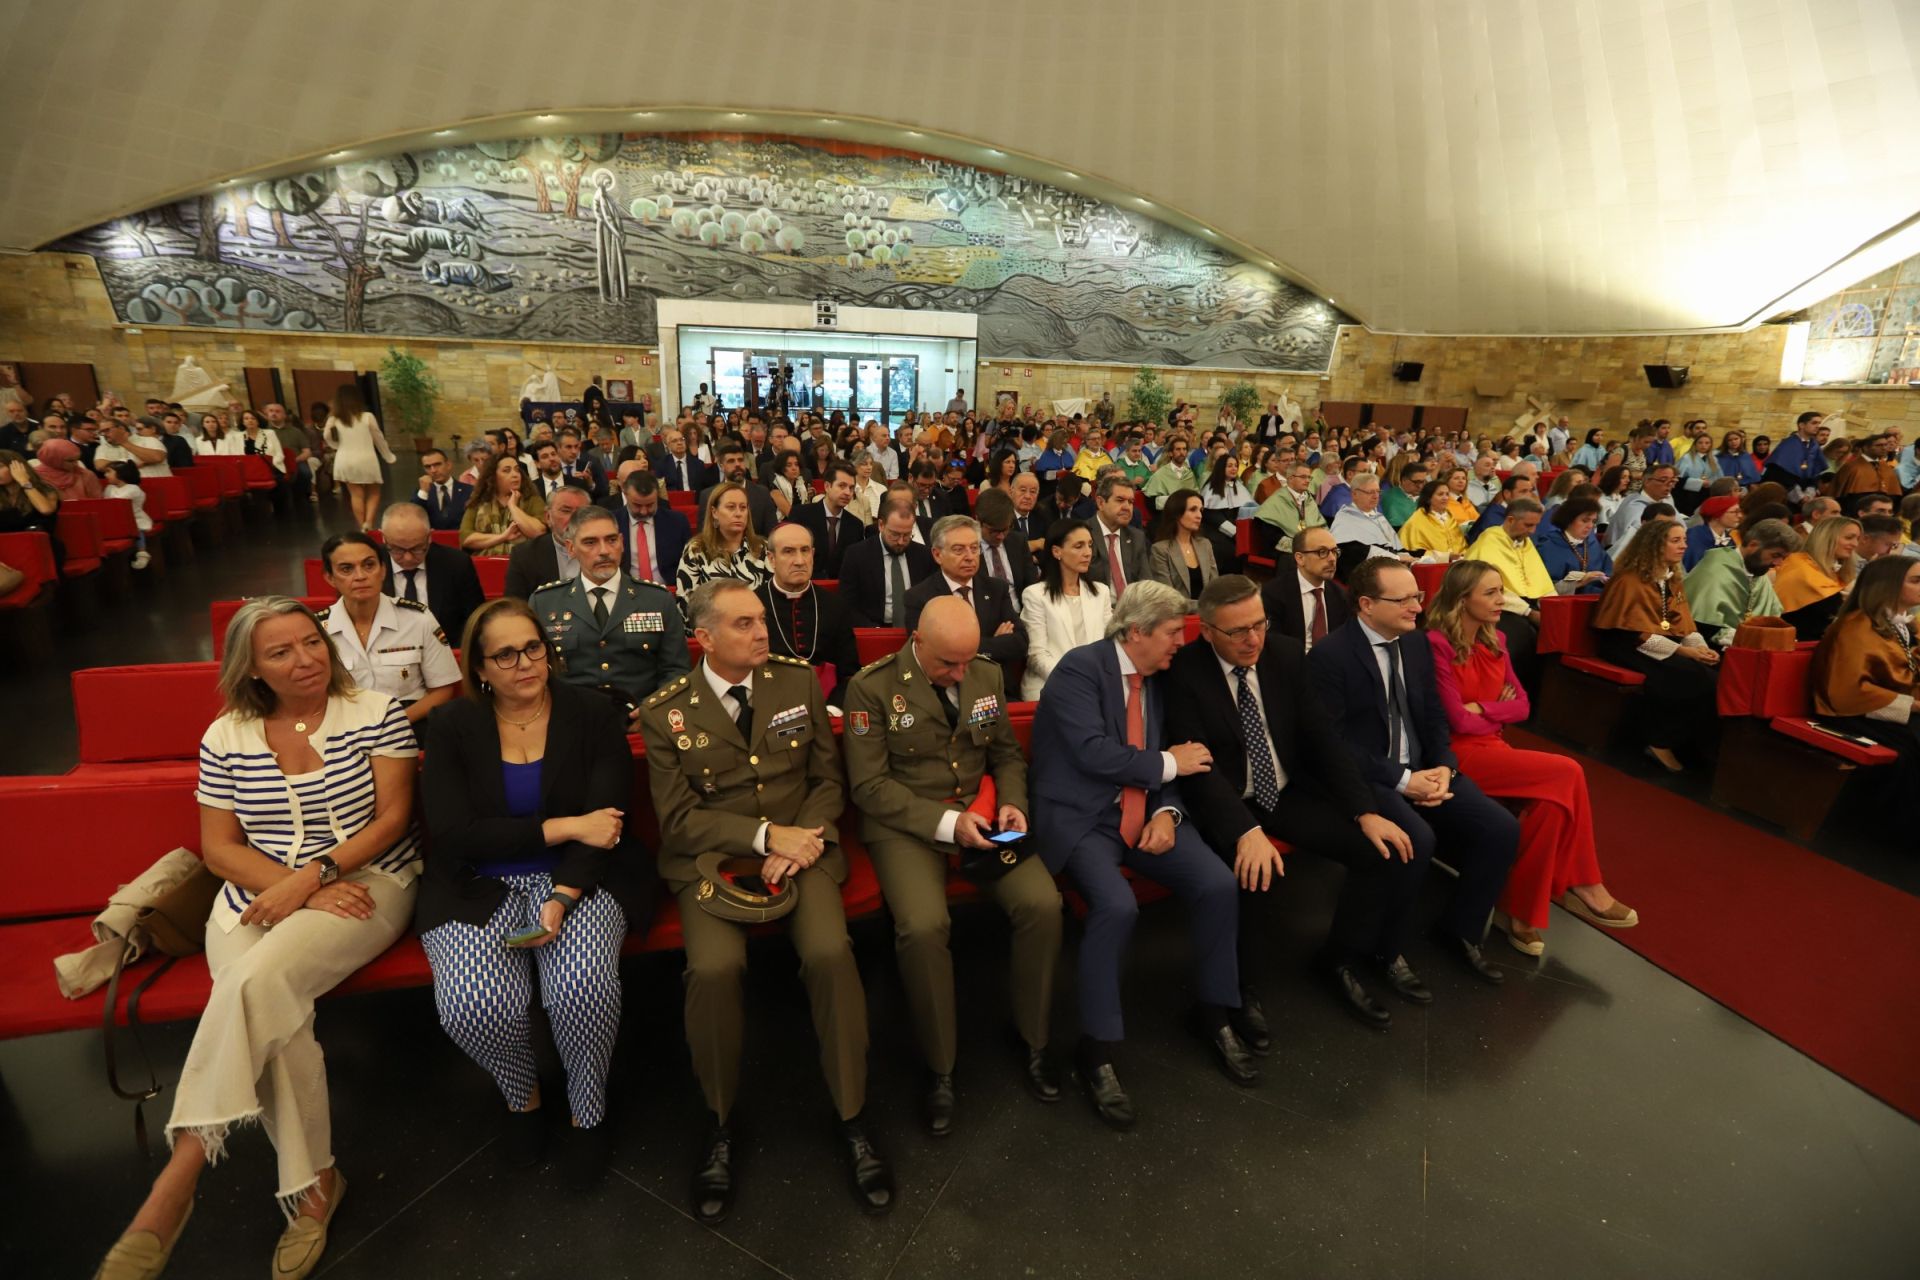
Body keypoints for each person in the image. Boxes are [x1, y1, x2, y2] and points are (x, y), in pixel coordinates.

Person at [91, 598, 419, 1280]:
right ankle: (314, 1186)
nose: (305, 659)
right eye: (281, 652)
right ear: (253, 668)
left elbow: (392, 820)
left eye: (312, 642)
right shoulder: (227, 735)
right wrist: (292, 885)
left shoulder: (375, 711)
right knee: (277, 1012)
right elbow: (219, 849)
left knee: (250, 985)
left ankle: (178, 1176)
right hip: (253, 897)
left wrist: (318, 877)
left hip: (369, 885)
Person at [638, 580, 893, 1222]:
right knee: (715, 970)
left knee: (833, 953)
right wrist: (761, 835)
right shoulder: (665, 710)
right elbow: (678, 819)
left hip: (801, 847)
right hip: (714, 859)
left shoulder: (796, 682)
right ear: (705, 637)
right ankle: (719, 1121)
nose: (762, 633)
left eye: (761, 622)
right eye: (745, 624)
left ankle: (853, 1113)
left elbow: (825, 779)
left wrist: (801, 839)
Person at [418, 596, 649, 1189]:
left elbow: (607, 819)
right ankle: (520, 1094)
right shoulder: (450, 727)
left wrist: (565, 893)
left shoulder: (594, 713)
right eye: (505, 655)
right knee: (475, 1005)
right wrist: (565, 825)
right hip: (477, 884)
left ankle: (587, 1106)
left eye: (533, 648)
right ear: (479, 669)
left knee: (581, 989)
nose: (524, 663)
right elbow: (454, 833)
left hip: (580, 875)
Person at [1029, 581, 1257, 1128]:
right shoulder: (1079, 671)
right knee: (1116, 906)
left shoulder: (1159, 678)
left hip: (1146, 812)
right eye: (1174, 633)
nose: (1182, 642)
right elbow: (1094, 753)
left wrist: (1168, 812)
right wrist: (1169, 767)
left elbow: (1171, 759)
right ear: (1136, 632)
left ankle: (1214, 1010)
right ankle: (1096, 1049)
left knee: (1217, 883)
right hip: (1085, 817)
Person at [841, 597, 1063, 1134]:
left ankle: (1033, 1038)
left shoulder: (984, 673)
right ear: (917, 641)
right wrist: (947, 824)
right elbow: (870, 787)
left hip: (984, 814)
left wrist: (1013, 802)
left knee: (1043, 904)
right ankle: (941, 1065)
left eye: (967, 662)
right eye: (948, 665)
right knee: (922, 926)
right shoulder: (869, 688)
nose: (960, 674)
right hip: (909, 824)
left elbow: (1006, 754)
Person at [1164, 575, 1418, 1033]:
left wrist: (1366, 811)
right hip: (1227, 800)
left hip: (1284, 792)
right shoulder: (1185, 671)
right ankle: (1241, 990)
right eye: (1237, 631)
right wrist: (1246, 831)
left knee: (1375, 852)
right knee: (1252, 875)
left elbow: (1323, 740)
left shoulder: (1283, 655)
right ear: (1205, 630)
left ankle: (1337, 961)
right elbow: (1200, 770)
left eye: (1258, 624)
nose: (1253, 639)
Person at [1308, 558, 1520, 1000]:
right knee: (1417, 840)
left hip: (1426, 767)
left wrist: (1445, 765)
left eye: (1417, 597)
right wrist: (1404, 780)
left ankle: (1459, 930)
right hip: (1372, 775)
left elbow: (1435, 716)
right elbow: (1334, 744)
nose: (1417, 608)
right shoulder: (1331, 656)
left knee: (1500, 829)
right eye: (1402, 599)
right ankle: (1383, 950)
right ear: (1366, 605)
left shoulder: (1418, 644)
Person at [1425, 562, 1634, 956]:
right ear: (1461, 598)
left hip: (1494, 746)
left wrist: (1482, 709)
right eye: (1489, 592)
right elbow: (1455, 718)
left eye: (1500, 590)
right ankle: (1583, 882)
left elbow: (1523, 706)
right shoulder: (1436, 644)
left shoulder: (1498, 642)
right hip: (1456, 754)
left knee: (1551, 809)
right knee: (1568, 770)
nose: (1500, 599)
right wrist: (1491, 709)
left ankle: (1517, 913)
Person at [531, 506, 688, 722]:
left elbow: (676, 670)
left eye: (611, 540)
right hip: (570, 722)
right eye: (590, 542)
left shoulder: (657, 599)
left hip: (644, 721)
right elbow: (537, 673)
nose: (604, 550)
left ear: (622, 543)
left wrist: (652, 710)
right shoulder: (545, 602)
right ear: (571, 548)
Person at [1592, 519, 1722, 771]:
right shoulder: (1630, 580)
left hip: (1658, 640)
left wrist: (1700, 647)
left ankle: (1692, 745)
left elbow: (1682, 621)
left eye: (1684, 540)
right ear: (1654, 545)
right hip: (1625, 643)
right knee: (1690, 675)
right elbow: (1634, 632)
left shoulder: (1670, 577)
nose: (1684, 545)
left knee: (1717, 671)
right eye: (1675, 541)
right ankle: (1659, 740)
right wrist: (1685, 652)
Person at [316, 532, 461, 743]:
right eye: (347, 569)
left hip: (410, 724)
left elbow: (442, 689)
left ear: (383, 570)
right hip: (344, 730)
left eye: (369, 565)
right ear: (329, 577)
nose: (360, 576)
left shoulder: (418, 619)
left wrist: (391, 723)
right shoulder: (317, 630)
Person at [1811, 555, 1920, 766]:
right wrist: (1912, 706)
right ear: (1889, 585)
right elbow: (1846, 690)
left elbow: (1902, 668)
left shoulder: (1895, 623)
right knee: (1911, 749)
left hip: (1880, 706)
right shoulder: (1857, 627)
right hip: (1851, 712)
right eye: (1915, 581)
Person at [904, 515, 1027, 668]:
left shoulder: (996, 589)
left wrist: (962, 647)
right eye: (959, 550)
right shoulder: (919, 597)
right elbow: (928, 652)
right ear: (937, 555)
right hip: (944, 685)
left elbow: (1020, 643)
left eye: (974, 548)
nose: (969, 557)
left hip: (996, 683)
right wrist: (993, 643)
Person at [757, 522, 861, 701]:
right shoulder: (753, 605)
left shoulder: (835, 605)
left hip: (826, 705)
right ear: (771, 559)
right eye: (788, 551)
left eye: (805, 550)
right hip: (769, 704)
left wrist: (832, 709)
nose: (799, 561)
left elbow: (849, 673)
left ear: (812, 555)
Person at [1462, 497, 1552, 693]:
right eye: (1528, 525)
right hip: (1497, 609)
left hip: (1528, 608)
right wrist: (1529, 612)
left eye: (1536, 525)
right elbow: (1487, 588)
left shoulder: (1525, 542)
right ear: (1510, 520)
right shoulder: (1490, 540)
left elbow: (1541, 581)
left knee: (1552, 638)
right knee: (1521, 639)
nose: (1533, 531)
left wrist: (1551, 608)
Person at [1019, 518, 1114, 701]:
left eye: (1089, 545)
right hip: (1051, 684)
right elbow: (1037, 656)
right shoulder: (1035, 595)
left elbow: (1108, 645)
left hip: (1096, 684)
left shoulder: (1101, 592)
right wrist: (1076, 680)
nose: (1088, 553)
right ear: (1057, 552)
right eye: (1079, 546)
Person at [378, 502, 485, 643]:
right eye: (398, 549)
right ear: (383, 538)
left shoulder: (456, 564)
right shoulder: (369, 565)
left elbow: (475, 621)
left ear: (429, 537)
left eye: (417, 548)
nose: (408, 558)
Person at [1685, 517, 1797, 647]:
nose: (1778, 563)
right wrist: (1753, 640)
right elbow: (1705, 624)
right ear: (1753, 545)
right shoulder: (1714, 570)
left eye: (1783, 558)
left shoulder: (1757, 571)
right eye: (1775, 555)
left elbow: (1772, 620)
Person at [839, 494, 935, 628]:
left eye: (907, 535)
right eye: (895, 534)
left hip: (916, 629)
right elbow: (847, 605)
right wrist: (874, 631)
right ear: (881, 525)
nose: (901, 542)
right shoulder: (857, 555)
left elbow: (932, 600)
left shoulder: (924, 555)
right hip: (873, 630)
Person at [1774, 515, 1862, 641]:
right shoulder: (1799, 568)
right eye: (1849, 538)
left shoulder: (1835, 572)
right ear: (1827, 538)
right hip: (1797, 646)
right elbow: (1830, 609)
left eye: (1857, 539)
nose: (1855, 544)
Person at [1261, 526, 1350, 650]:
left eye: (1335, 551)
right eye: (1322, 552)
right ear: (1300, 558)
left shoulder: (1341, 596)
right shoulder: (1274, 594)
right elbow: (1273, 645)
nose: (1332, 559)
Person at [322, 385, 396, 532]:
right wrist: (388, 456)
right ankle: (368, 523)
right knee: (374, 491)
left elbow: (326, 437)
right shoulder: (367, 417)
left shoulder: (334, 419)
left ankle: (361, 525)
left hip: (345, 459)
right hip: (366, 458)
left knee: (355, 494)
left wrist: (337, 446)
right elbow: (378, 438)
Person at [504, 485, 591, 600]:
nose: (575, 518)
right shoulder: (525, 555)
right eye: (566, 511)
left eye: (582, 512)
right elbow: (515, 608)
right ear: (548, 517)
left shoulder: (605, 551)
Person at [608, 471, 689, 589]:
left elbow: (689, 563)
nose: (644, 511)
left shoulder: (677, 522)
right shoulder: (611, 522)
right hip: (624, 593)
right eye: (637, 505)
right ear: (625, 494)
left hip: (668, 591)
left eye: (650, 505)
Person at [786, 458, 866, 579]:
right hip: (805, 585)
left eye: (851, 488)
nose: (848, 493)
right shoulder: (800, 515)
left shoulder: (856, 525)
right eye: (842, 486)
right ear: (827, 486)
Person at [460, 453, 548, 558]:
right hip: (485, 563)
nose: (515, 474)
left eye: (517, 469)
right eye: (507, 471)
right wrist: (503, 537)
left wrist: (513, 507)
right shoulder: (479, 502)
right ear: (492, 476)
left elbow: (539, 532)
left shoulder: (532, 499)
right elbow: (466, 538)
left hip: (525, 563)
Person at [1146, 487, 1219, 602]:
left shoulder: (1205, 544)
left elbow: (1215, 588)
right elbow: (1168, 598)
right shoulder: (1160, 550)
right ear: (1176, 513)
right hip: (1179, 616)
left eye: (1201, 510)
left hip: (1208, 614)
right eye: (1193, 510)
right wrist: (1203, 606)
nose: (1199, 515)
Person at [1083, 473, 1149, 597]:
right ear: (1101, 503)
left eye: (1130, 502)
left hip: (1132, 610)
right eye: (1120, 500)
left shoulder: (1136, 537)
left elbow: (1146, 584)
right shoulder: (1082, 534)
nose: (1127, 507)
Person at [1330, 474, 1410, 576]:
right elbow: (1353, 552)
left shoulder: (1379, 517)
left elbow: (1396, 547)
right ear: (1354, 494)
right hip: (1364, 573)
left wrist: (1409, 557)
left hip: (1389, 567)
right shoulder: (1345, 518)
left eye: (1378, 492)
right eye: (1370, 492)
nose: (1376, 496)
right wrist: (1396, 558)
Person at [1533, 495, 1613, 593]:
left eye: (1593, 521)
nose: (1590, 526)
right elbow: (1545, 586)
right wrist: (1578, 582)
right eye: (1585, 520)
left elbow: (1609, 572)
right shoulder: (1548, 546)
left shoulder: (1593, 544)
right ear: (1569, 520)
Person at [697, 442, 779, 537]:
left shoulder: (762, 493)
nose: (737, 464)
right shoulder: (707, 495)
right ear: (721, 466)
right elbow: (705, 534)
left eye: (740, 460)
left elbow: (772, 532)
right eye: (731, 461)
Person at [1762, 411, 1828, 501]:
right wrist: (1800, 497)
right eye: (1814, 423)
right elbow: (1780, 472)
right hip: (1785, 493)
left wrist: (1809, 493)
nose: (1818, 426)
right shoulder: (1788, 444)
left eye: (1819, 423)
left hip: (1806, 494)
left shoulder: (1814, 446)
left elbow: (1814, 472)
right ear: (1801, 425)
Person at [1398, 479, 1468, 560]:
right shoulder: (1416, 521)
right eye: (1440, 494)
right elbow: (1414, 552)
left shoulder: (1450, 518)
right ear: (1428, 498)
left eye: (1447, 494)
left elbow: (1462, 546)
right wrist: (1446, 556)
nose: (1445, 498)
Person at [413, 447, 471, 531]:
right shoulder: (421, 493)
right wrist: (423, 492)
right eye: (428, 467)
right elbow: (413, 517)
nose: (433, 470)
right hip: (433, 541)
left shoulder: (469, 490)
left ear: (448, 465)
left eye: (437, 464)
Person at [33, 437, 102, 501]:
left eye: (77, 459)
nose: (76, 464)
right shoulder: (34, 476)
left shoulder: (86, 475)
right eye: (70, 461)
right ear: (52, 459)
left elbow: (99, 503)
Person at [1684, 494, 1741, 570]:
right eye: (1735, 512)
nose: (1740, 515)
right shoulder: (1694, 538)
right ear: (1717, 515)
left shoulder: (1729, 540)